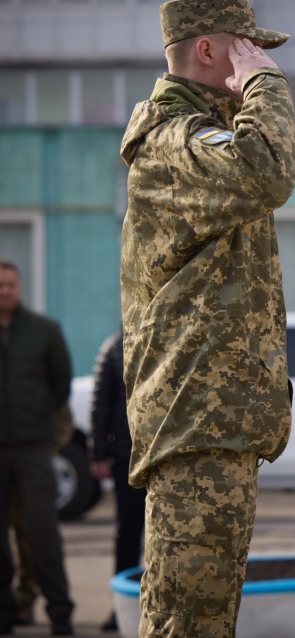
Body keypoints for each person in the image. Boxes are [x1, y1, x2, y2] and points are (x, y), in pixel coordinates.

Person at [119, 0, 295, 637]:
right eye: (246, 49)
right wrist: (266, 85)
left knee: (205, 615)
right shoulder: (175, 141)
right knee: (186, 621)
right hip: (195, 418)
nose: (255, 62)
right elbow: (267, 171)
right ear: (207, 50)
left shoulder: (200, 141)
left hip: (214, 419)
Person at [0, 259, 76, 635]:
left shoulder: (44, 331)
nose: (6, 290)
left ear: (20, 287)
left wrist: (43, 429)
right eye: (0, 285)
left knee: (43, 533)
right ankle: (5, 612)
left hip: (32, 446)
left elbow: (60, 385)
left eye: (11, 284)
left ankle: (59, 610)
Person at [89, 328, 147, 632]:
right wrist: (98, 453)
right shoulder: (115, 346)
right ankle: (122, 607)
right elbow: (101, 404)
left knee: (168, 536)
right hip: (128, 457)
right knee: (128, 532)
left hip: (169, 458)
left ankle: (162, 607)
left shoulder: (178, 333)